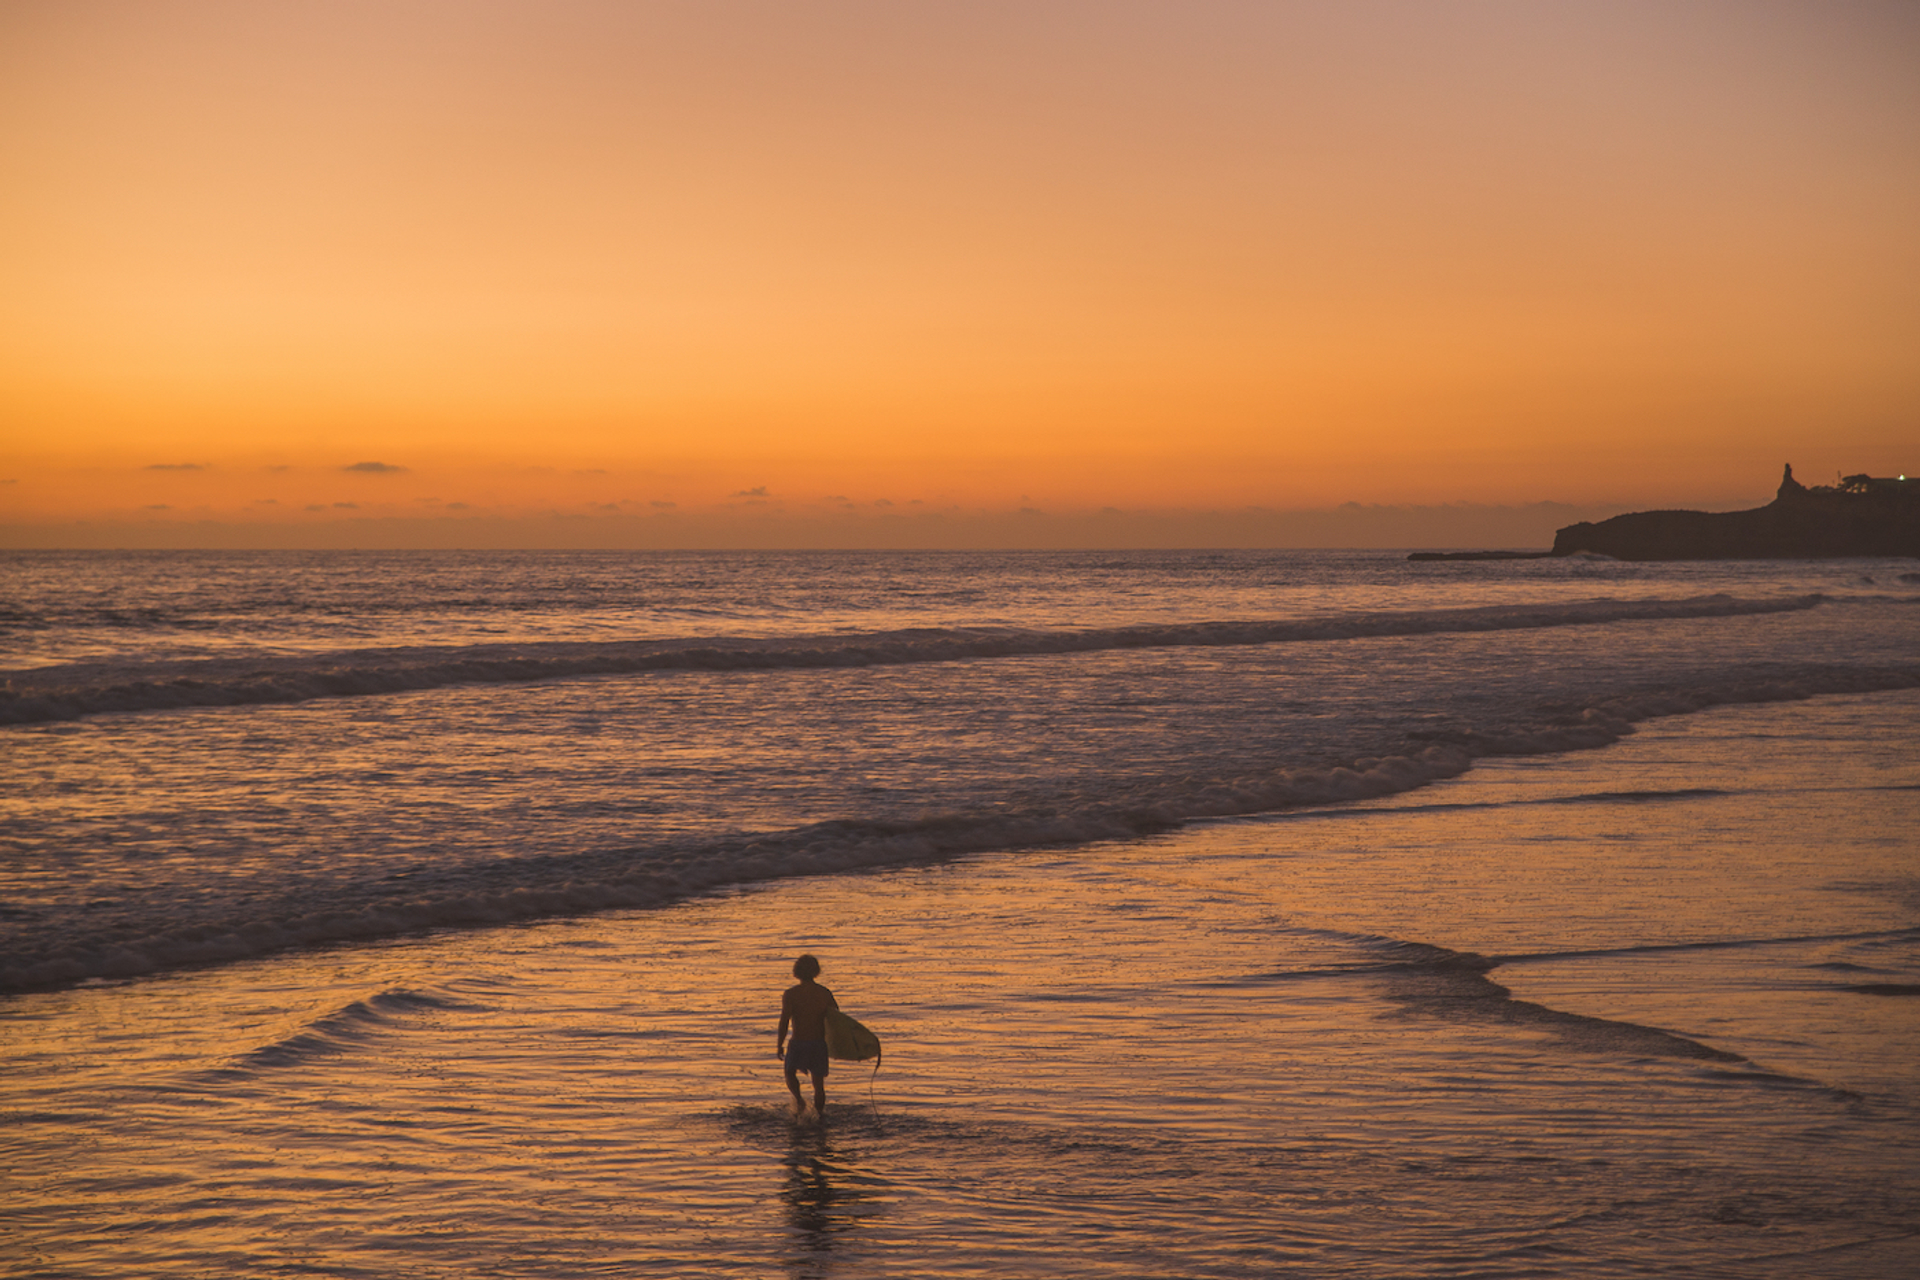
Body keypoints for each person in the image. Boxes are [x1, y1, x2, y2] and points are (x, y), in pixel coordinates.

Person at [776, 953, 838, 1115]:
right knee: (819, 1084)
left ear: (797, 971)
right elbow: (836, 1018)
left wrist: (779, 1044)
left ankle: (799, 1100)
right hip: (818, 1043)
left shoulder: (791, 994)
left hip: (798, 1042)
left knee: (789, 1073)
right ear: (816, 971)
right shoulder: (824, 993)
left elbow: (784, 1021)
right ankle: (819, 1115)